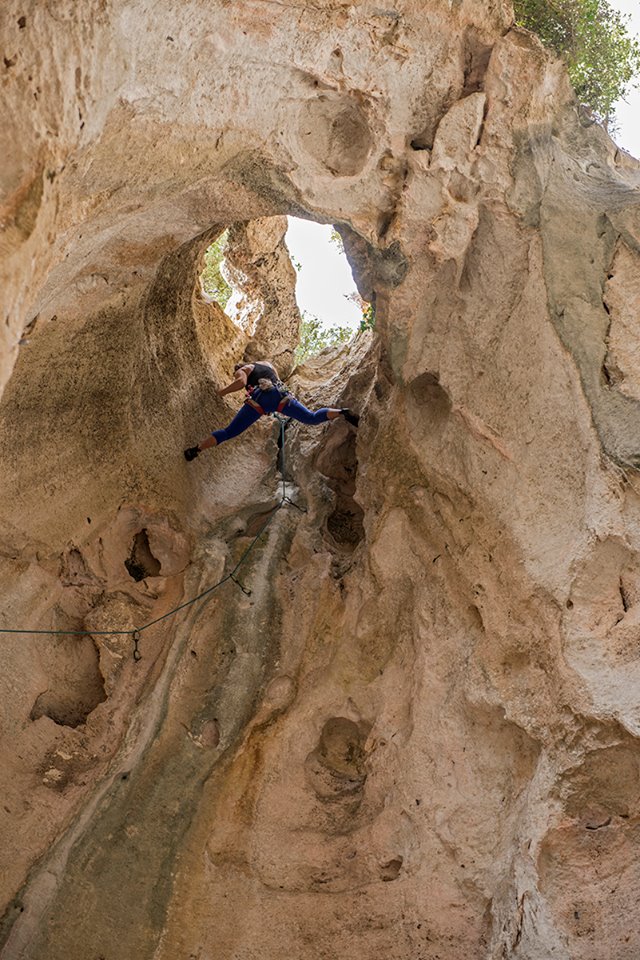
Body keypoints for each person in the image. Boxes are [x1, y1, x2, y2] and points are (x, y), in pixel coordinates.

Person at [184, 360, 359, 460]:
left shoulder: (243, 369)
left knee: (229, 432)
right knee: (311, 418)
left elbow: (241, 383)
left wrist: (221, 392)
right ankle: (341, 412)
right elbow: (275, 380)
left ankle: (196, 450)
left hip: (261, 399)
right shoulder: (267, 364)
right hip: (282, 396)